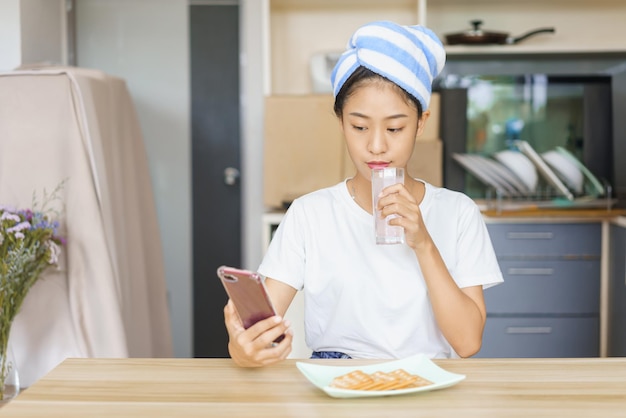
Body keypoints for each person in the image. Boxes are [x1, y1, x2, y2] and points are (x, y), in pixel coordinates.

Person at [224, 20, 503, 367]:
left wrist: (423, 242)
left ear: (421, 122)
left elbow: (467, 342)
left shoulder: (458, 212)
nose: (376, 145)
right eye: (359, 126)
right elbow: (258, 332)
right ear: (341, 121)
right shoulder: (309, 214)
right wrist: (243, 348)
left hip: (427, 385)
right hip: (334, 385)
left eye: (395, 127)